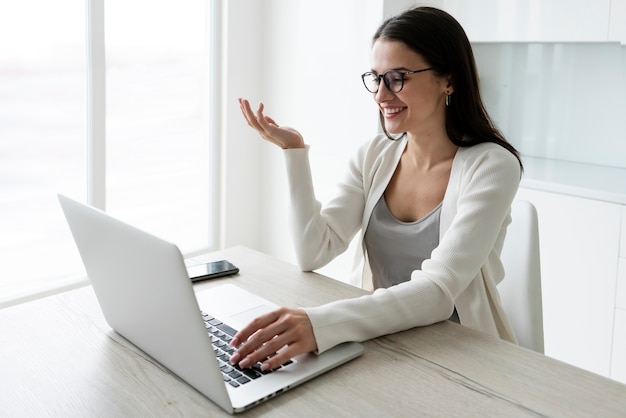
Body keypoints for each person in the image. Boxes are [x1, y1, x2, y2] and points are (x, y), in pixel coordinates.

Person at [230, 6, 523, 372]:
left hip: (462, 353)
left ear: (448, 80)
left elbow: (437, 293)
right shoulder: (374, 154)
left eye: (398, 78)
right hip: (384, 339)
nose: (381, 95)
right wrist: (294, 153)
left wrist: (321, 324)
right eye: (376, 77)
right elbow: (314, 250)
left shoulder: (492, 165)